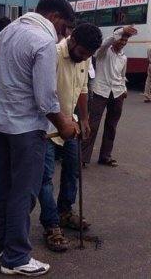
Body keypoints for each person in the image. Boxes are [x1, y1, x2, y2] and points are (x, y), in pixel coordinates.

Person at [0, 0, 79, 277]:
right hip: (26, 129)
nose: (63, 35)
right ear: (54, 17)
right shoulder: (43, 40)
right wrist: (64, 125)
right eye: (64, 28)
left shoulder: (9, 31)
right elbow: (46, 97)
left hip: (1, 126)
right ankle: (16, 258)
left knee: (2, 190)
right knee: (23, 195)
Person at [38, 23, 102, 252]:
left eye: (89, 55)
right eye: (83, 53)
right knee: (44, 177)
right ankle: (51, 224)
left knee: (72, 170)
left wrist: (83, 118)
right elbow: (44, 94)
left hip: (71, 125)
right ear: (72, 41)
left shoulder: (84, 58)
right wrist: (61, 122)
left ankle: (65, 212)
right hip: (46, 127)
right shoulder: (52, 55)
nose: (84, 58)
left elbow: (82, 89)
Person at [81, 25, 137, 167]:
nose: (123, 42)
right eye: (121, 39)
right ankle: (82, 157)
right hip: (100, 91)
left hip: (117, 93)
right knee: (92, 125)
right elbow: (108, 40)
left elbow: (122, 75)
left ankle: (105, 156)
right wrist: (122, 31)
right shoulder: (103, 51)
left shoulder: (123, 57)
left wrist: (123, 88)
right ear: (115, 38)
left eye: (126, 40)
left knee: (112, 126)